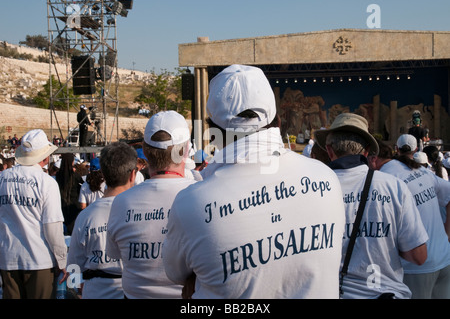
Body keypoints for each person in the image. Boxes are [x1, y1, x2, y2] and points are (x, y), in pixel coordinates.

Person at [163, 65, 346, 299]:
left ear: (212, 131)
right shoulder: (327, 179)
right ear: (279, 122)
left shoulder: (190, 203)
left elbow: (175, 274)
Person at [315, 113, 428, 299]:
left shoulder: (311, 190)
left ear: (329, 150)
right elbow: (419, 256)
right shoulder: (394, 187)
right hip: (384, 293)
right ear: (367, 151)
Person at [106, 110, 196, 299]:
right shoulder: (201, 196)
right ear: (186, 150)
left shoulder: (121, 202)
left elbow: (116, 255)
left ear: (145, 151)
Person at [380, 134, 450, 298]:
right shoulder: (422, 171)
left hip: (417, 267)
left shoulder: (388, 176)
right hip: (444, 257)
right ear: (416, 149)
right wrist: (447, 234)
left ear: (396, 149)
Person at [0, 129, 67, 299]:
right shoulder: (47, 183)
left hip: (8, 258)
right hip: (39, 259)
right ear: (45, 157)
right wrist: (62, 260)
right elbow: (52, 226)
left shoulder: (2, 178)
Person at [67, 142, 138, 299]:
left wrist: (76, 287)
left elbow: (73, 264)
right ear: (132, 175)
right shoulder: (141, 213)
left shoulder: (85, 216)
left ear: (104, 175)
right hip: (133, 290)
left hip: (95, 291)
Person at [55, 153, 84, 235]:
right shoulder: (75, 176)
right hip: (73, 206)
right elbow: (82, 185)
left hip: (61, 204)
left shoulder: (58, 175)